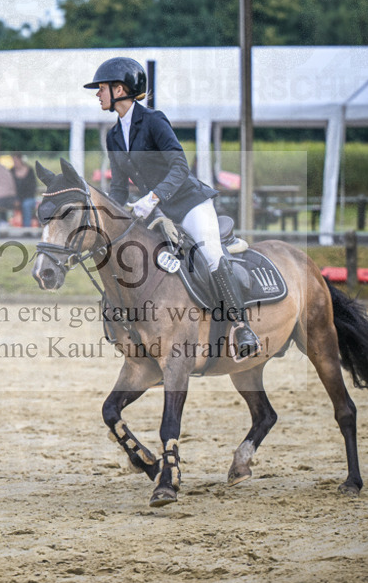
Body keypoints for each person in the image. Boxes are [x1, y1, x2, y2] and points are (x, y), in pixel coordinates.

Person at [85, 56, 260, 358]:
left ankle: (240, 326)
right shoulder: (113, 136)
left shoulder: (153, 121)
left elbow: (179, 166)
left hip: (189, 203)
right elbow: (118, 186)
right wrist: (115, 214)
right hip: (154, 212)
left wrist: (152, 198)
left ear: (120, 89)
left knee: (211, 254)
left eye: (101, 88)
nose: (97, 95)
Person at [11, 153, 37, 227]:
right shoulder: (11, 171)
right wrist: (16, 199)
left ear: (20, 160)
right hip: (15, 198)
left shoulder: (30, 171)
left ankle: (27, 228)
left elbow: (32, 187)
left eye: (16, 160)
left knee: (26, 204)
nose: (15, 163)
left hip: (28, 197)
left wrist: (20, 199)